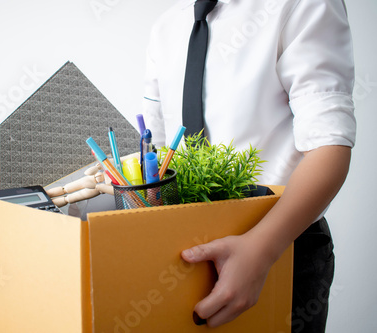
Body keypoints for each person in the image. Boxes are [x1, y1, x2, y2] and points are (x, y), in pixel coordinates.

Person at [142, 0, 356, 331]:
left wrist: (262, 249)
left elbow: (329, 144)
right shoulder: (167, 25)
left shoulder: (302, 4)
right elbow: (153, 149)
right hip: (187, 249)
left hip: (280, 244)